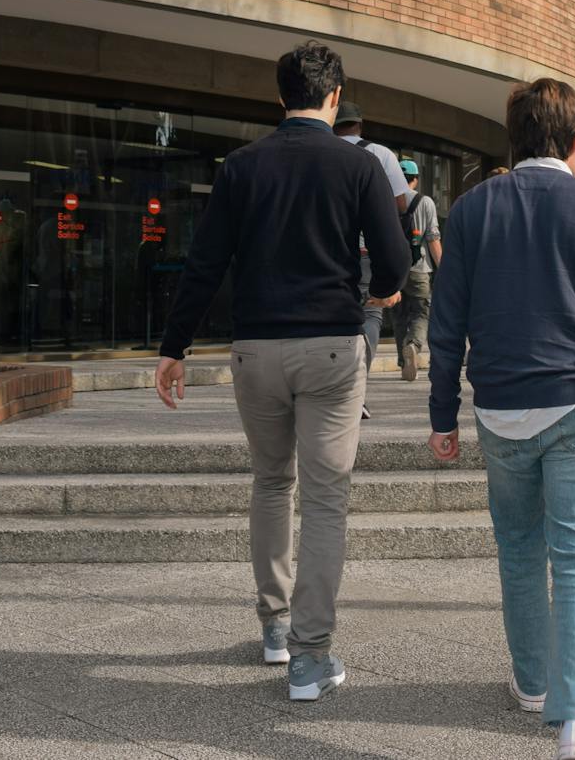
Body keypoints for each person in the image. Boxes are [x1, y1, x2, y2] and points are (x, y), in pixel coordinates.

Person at [155, 42, 409, 703]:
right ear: (336, 96)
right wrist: (376, 293)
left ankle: (274, 627)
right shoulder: (357, 167)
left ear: (279, 99)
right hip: (329, 345)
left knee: (272, 481)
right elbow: (393, 259)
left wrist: (173, 346)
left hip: (255, 349)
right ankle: (310, 655)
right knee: (325, 496)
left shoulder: (241, 167)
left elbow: (204, 262)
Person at [428, 79, 575, 760]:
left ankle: (532, 681)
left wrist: (441, 413)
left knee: (517, 545)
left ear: (514, 138)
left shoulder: (471, 211)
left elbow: (446, 326)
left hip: (500, 408)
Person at [334, 100, 410, 415]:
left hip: (332, 251)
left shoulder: (322, 152)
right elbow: (402, 204)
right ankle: (355, 391)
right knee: (371, 316)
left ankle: (335, 390)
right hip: (368, 252)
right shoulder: (381, 154)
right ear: (360, 125)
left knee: (334, 319)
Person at [394, 158, 441, 382]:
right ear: (415, 179)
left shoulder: (387, 198)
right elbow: (432, 238)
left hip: (393, 268)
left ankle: (403, 361)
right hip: (419, 267)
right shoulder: (426, 202)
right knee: (421, 312)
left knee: (398, 313)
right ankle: (413, 344)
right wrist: (444, 266)